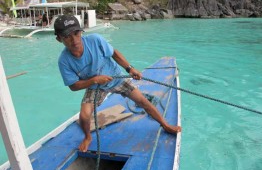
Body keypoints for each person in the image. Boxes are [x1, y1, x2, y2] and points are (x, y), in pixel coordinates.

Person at [54, 15, 181, 152]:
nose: (74, 40)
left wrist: (130, 68)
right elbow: (73, 86)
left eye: (76, 33)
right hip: (95, 86)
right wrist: (94, 80)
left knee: (142, 101)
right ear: (59, 39)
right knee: (84, 115)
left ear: (81, 32)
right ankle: (87, 137)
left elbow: (114, 53)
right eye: (67, 36)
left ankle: (165, 125)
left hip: (116, 78)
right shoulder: (64, 61)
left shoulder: (95, 40)